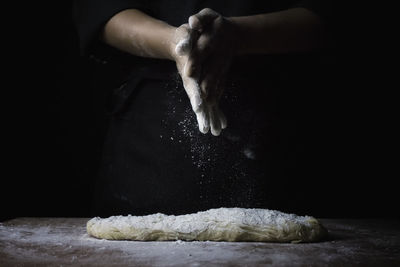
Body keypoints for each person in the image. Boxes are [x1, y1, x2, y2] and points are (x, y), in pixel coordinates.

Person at [73, 0, 335, 216]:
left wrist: (240, 35)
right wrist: (173, 42)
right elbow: (100, 10)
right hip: (149, 149)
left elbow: (329, 15)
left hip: (278, 141)